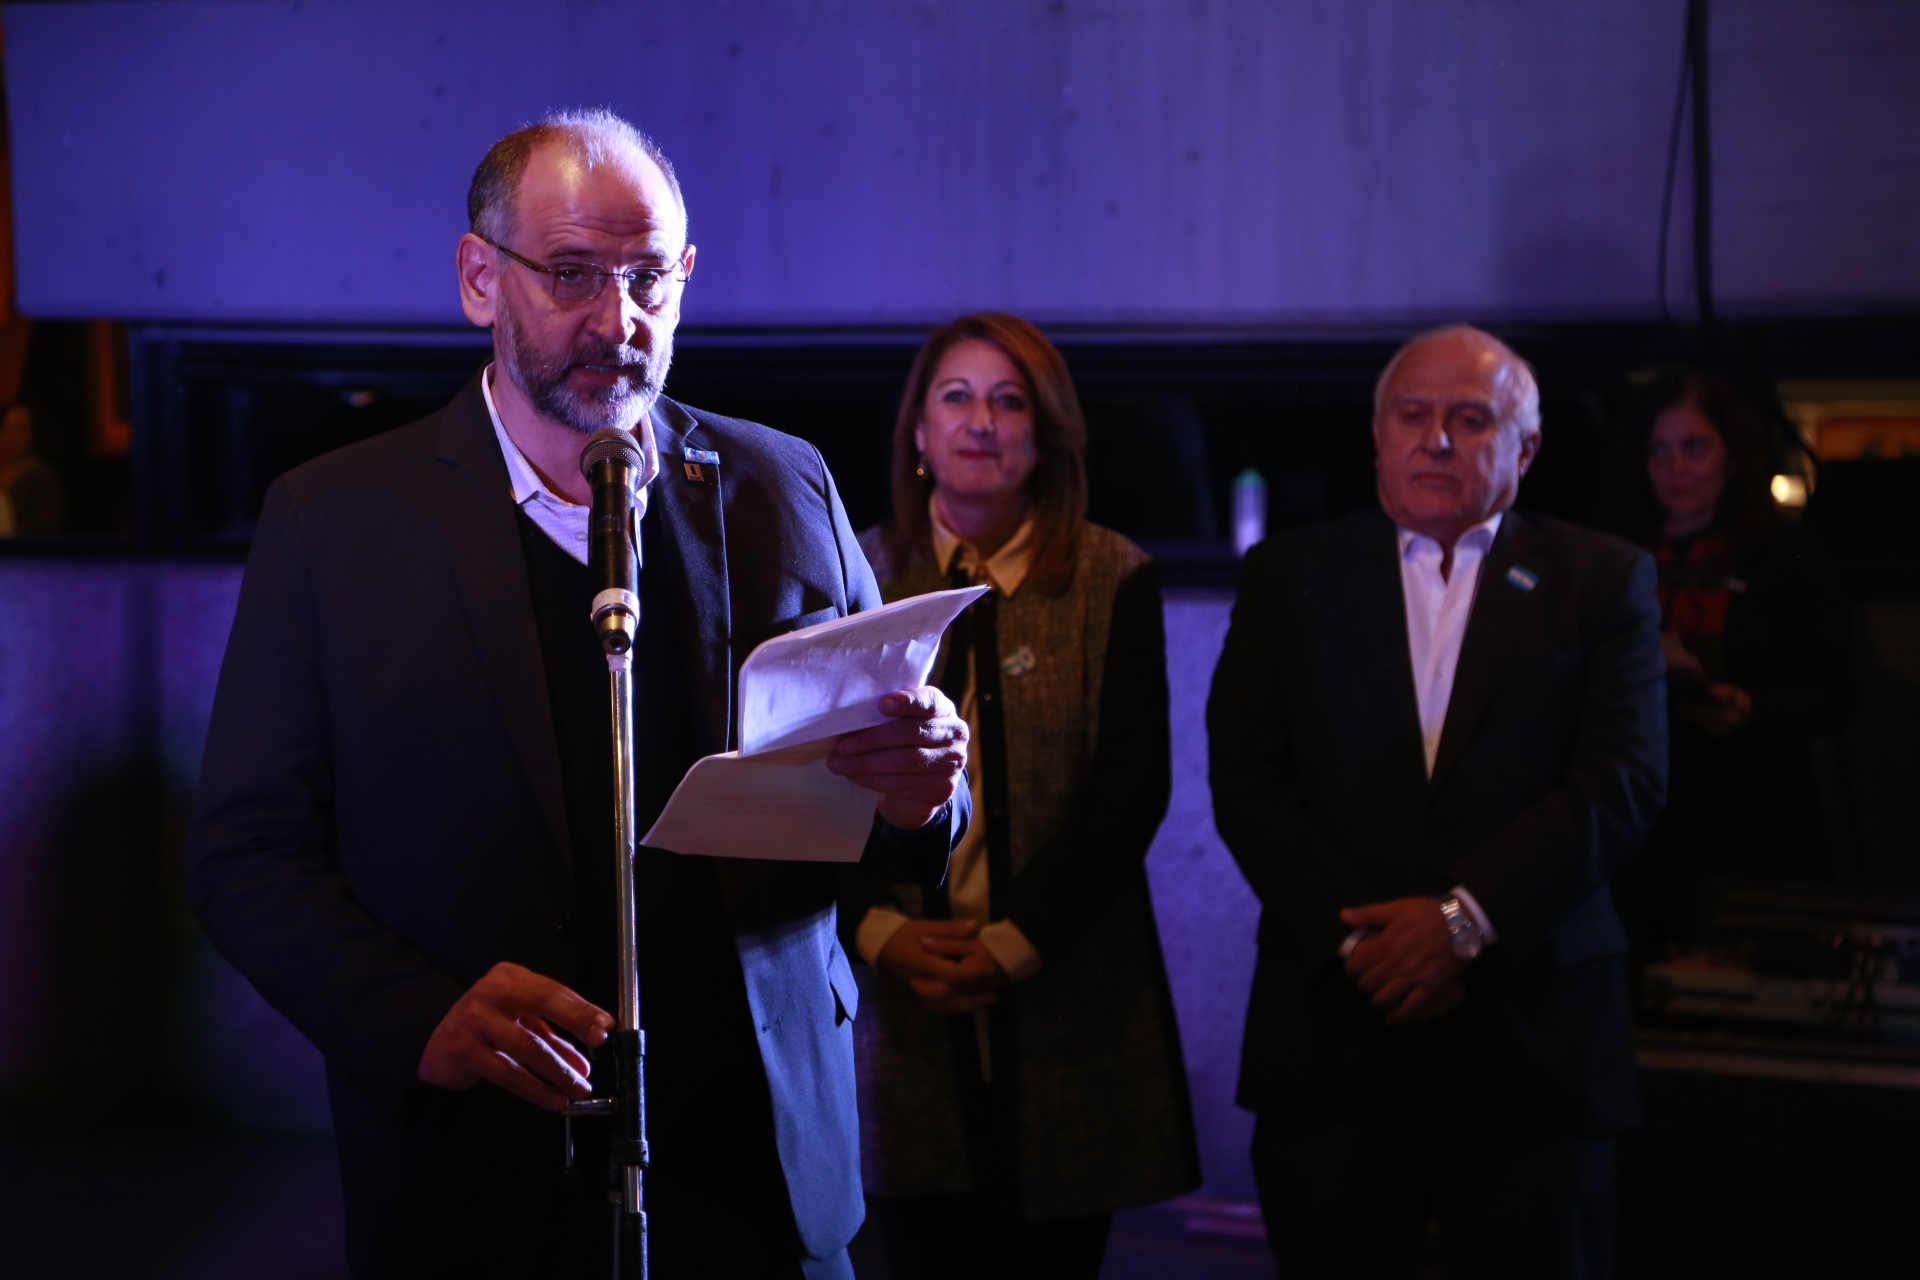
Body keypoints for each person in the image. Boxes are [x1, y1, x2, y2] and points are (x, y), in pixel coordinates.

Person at [184, 110, 969, 1280]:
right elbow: (246, 856)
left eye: (650, 277)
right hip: (480, 1175)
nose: (620, 320)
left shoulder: (781, 482)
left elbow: (887, 825)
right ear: (477, 278)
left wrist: (923, 799)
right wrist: (418, 1018)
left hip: (763, 1164)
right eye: (571, 274)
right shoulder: (335, 519)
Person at [1208, 324, 1667, 1279]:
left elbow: (1621, 780)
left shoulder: (1602, 577)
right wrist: (1372, 945)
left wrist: (1461, 922)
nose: (1438, 441)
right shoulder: (1288, 576)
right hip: (1336, 1037)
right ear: (1377, 434)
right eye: (1413, 417)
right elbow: (1249, 783)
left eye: (1471, 419)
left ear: (1526, 447)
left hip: (1536, 1048)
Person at [843, 312, 1199, 1279]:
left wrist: (1010, 946)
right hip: (897, 1006)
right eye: (955, 397)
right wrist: (882, 935)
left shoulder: (1111, 575)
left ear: (1045, 432)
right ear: (918, 430)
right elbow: (805, 795)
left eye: (1010, 401)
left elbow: (1131, 794)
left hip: (1069, 995)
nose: (983, 422)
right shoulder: (856, 575)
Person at [1601, 372, 1851, 953]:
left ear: (1733, 457)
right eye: (1658, 451)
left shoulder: (1785, 554)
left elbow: (1836, 691)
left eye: (1694, 447)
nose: (1675, 468)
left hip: (1755, 815)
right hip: (1640, 824)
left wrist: (1749, 710)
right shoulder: (1613, 558)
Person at [0, 403, 64, 537]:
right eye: (7, 428)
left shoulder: (40, 477)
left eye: (19, 429)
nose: (10, 437)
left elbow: (43, 528)